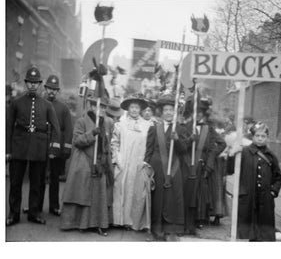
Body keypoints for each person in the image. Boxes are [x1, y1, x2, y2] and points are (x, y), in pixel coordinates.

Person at [6, 67, 61, 226]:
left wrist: (52, 150)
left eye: (35, 83)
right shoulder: (16, 103)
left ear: (39, 85)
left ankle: (34, 213)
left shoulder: (46, 105)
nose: (32, 85)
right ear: (25, 83)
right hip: (19, 147)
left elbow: (56, 128)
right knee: (15, 183)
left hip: (39, 148)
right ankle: (13, 214)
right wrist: (8, 151)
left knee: (37, 183)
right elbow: (8, 127)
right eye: (30, 82)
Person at [60, 95, 114, 236]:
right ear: (91, 106)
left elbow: (107, 143)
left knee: (99, 194)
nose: (101, 109)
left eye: (103, 107)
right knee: (84, 193)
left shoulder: (107, 122)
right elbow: (77, 141)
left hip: (101, 164)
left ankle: (99, 224)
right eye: (98, 106)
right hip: (84, 162)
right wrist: (92, 133)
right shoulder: (82, 121)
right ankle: (81, 223)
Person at [144, 93, 190, 241]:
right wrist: (146, 166)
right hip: (157, 167)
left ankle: (171, 231)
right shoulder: (154, 128)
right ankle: (156, 230)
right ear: (161, 112)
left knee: (171, 198)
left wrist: (177, 140)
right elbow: (149, 149)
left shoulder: (180, 129)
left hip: (174, 168)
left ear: (174, 112)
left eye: (171, 110)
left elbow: (183, 150)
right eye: (166, 110)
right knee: (158, 198)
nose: (169, 112)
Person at [227, 122, 281, 241]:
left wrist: (273, 192)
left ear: (267, 138)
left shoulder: (271, 156)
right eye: (257, 136)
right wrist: (232, 154)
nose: (260, 138)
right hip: (249, 197)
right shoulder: (244, 152)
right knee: (248, 231)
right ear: (253, 137)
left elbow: (278, 177)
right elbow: (230, 169)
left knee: (263, 233)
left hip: (265, 199)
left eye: (263, 136)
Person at [182, 96, 225, 234]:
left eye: (201, 112)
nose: (198, 114)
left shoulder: (209, 129)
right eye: (196, 112)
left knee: (201, 192)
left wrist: (211, 158)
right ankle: (187, 218)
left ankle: (199, 219)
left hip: (203, 163)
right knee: (188, 191)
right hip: (188, 163)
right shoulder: (185, 127)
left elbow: (221, 144)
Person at [111, 93, 152, 231]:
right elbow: (114, 143)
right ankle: (120, 220)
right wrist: (117, 158)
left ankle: (134, 222)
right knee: (121, 189)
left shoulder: (147, 125)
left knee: (137, 191)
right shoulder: (120, 124)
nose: (134, 110)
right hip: (124, 162)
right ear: (128, 108)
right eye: (132, 107)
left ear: (141, 109)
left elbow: (150, 145)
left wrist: (146, 162)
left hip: (139, 162)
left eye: (137, 107)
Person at [38, 75, 73, 216]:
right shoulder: (39, 104)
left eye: (54, 89)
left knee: (54, 179)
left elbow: (68, 130)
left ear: (58, 91)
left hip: (56, 150)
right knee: (38, 178)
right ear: (45, 88)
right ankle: (36, 207)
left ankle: (54, 206)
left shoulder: (63, 108)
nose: (51, 91)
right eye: (49, 88)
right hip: (40, 148)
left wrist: (66, 149)